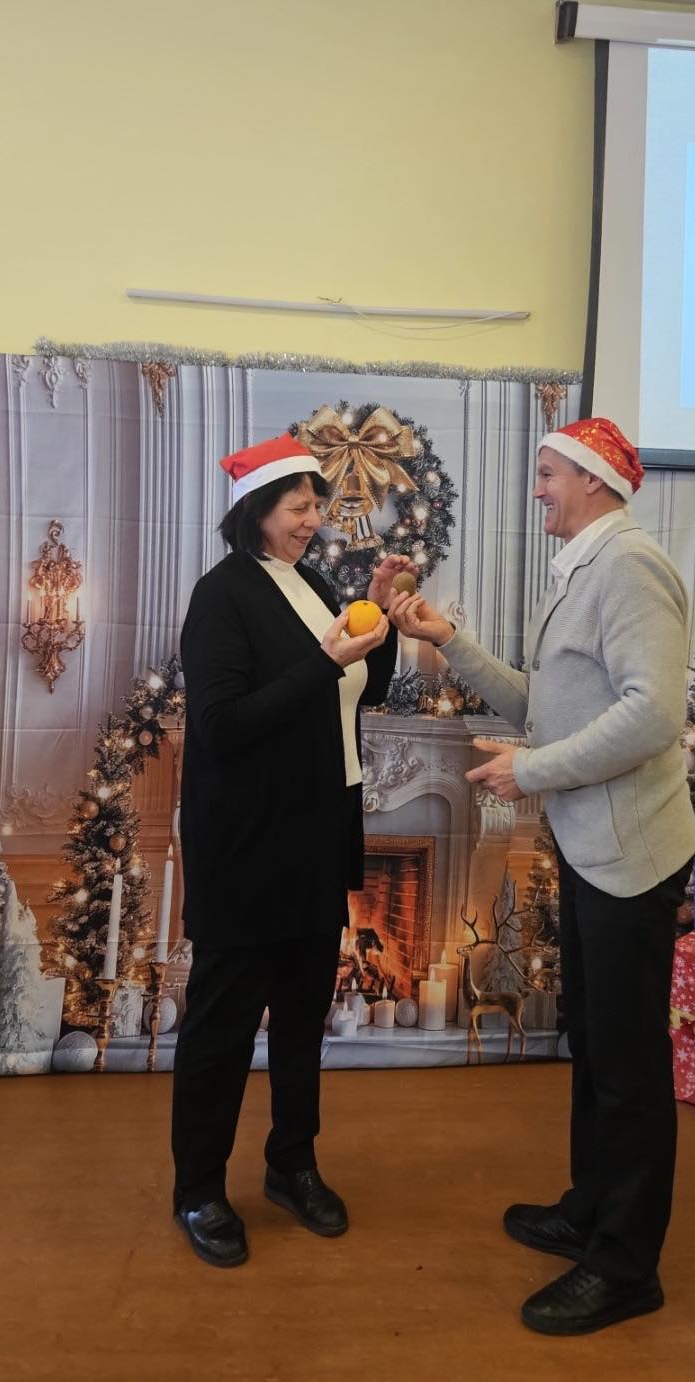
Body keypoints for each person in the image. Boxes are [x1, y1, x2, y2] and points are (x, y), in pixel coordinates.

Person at [391, 417, 695, 1336]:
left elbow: (652, 715)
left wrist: (529, 771)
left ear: (595, 480)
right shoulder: (584, 570)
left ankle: (626, 1266)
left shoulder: (630, 567)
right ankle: (591, 1209)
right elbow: (545, 703)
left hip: (630, 852)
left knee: (627, 1064)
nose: (537, 490)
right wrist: (451, 640)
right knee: (593, 1043)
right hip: (591, 843)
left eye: (548, 473)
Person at [172, 432, 409, 1268]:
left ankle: (292, 1163)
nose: (314, 520)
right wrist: (321, 660)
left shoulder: (312, 584)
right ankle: (199, 1187)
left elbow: (362, 690)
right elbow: (221, 726)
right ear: (257, 510)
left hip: (317, 828)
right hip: (248, 841)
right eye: (298, 506)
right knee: (223, 1026)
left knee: (304, 1016)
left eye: (316, 507)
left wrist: (379, 616)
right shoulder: (222, 596)